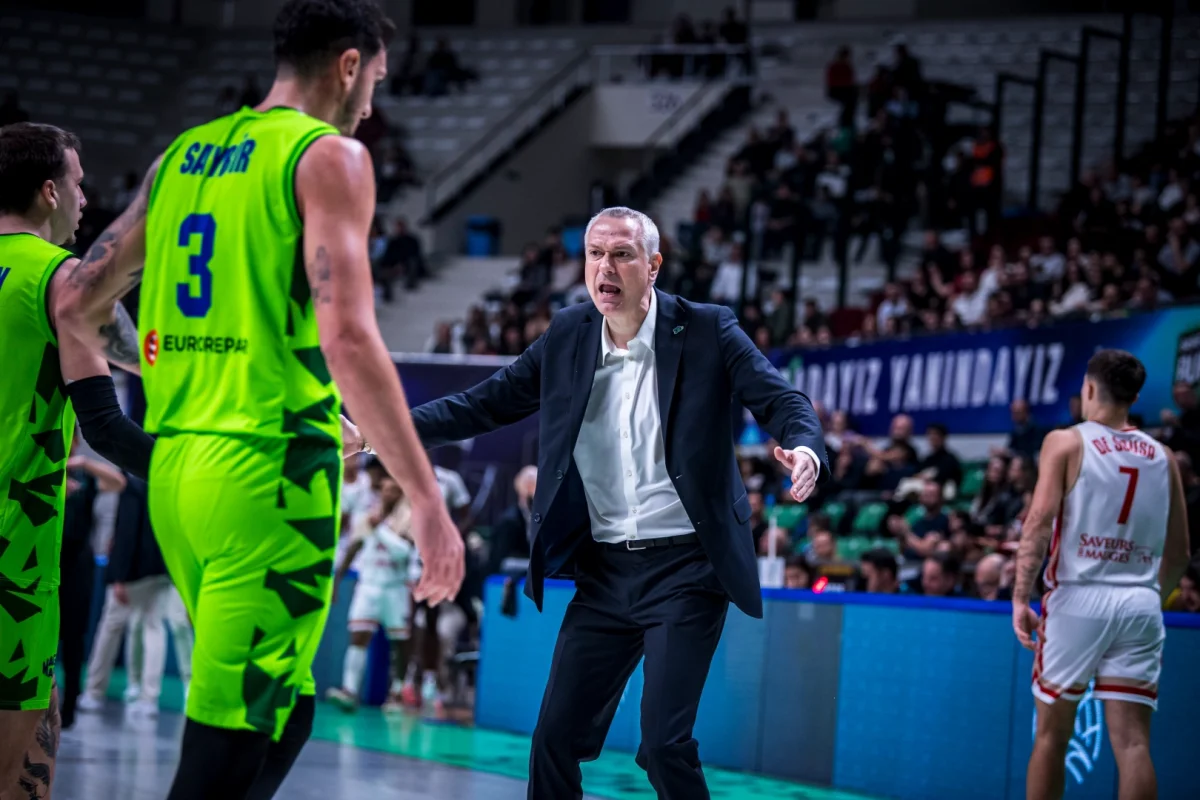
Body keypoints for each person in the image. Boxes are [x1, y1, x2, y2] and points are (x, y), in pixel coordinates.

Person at [52, 2, 465, 797]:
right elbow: (348, 338)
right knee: (221, 752)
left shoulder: (182, 155)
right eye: (375, 81)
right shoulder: (328, 157)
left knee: (291, 704)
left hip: (177, 476)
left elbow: (77, 302)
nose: (373, 104)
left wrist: (180, 367)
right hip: (267, 479)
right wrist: (425, 499)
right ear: (349, 66)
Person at [410, 206, 827, 799]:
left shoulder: (707, 328)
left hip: (688, 568)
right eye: (595, 253)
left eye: (623, 254)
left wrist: (805, 448)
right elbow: (481, 404)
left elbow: (782, 400)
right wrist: (380, 432)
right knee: (554, 738)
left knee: (661, 745)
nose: (606, 266)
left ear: (652, 266)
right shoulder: (568, 335)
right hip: (605, 571)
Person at [0, 122, 153, 799]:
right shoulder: (56, 280)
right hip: (13, 557)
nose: (86, 198)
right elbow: (117, 398)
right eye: (80, 182)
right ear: (49, 190)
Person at [1012, 350, 1190, 800]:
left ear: (1089, 389)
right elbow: (1181, 552)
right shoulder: (1163, 455)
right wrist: (1151, 594)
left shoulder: (1066, 441)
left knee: (1052, 737)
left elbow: (1037, 522)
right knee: (1132, 744)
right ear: (1132, 396)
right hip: (1141, 601)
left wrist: (1019, 597)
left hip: (1078, 598)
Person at [78, 474, 194, 718]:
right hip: (162, 569)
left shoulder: (133, 481)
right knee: (152, 627)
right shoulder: (168, 477)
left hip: (136, 572)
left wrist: (119, 576)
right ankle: (147, 696)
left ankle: (95, 691)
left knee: (113, 627)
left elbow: (128, 530)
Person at [58, 434, 127, 729]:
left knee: (74, 637)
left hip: (78, 563)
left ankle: (70, 705)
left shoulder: (84, 473)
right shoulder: (42, 468)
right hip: (46, 559)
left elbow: (118, 483)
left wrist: (85, 462)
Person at [328, 476, 413, 712]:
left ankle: (397, 692)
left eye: (394, 490)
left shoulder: (409, 518)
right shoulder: (367, 517)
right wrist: (336, 582)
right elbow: (353, 547)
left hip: (395, 587)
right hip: (368, 585)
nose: (388, 494)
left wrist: (380, 530)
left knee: (399, 642)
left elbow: (404, 552)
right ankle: (349, 690)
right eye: (384, 490)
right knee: (358, 637)